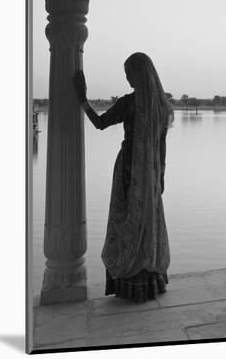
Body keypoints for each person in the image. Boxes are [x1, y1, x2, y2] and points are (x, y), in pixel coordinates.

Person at [73, 52, 173, 303]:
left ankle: (130, 283)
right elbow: (161, 147)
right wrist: (160, 175)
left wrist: (82, 99)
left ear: (139, 73)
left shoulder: (129, 103)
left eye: (129, 73)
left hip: (129, 171)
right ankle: (150, 283)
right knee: (146, 224)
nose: (127, 78)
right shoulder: (161, 106)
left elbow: (100, 122)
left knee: (126, 222)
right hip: (150, 174)